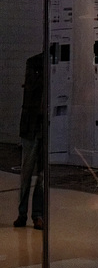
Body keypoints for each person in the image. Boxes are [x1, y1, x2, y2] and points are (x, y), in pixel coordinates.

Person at [14, 52, 45, 230]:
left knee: (41, 176)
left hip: (42, 128)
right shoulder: (34, 64)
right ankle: (23, 213)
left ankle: (37, 214)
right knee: (26, 174)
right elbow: (32, 88)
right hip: (31, 128)